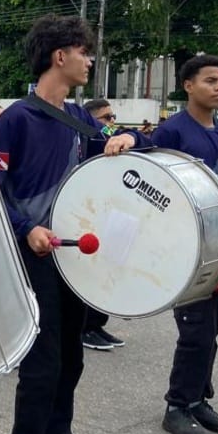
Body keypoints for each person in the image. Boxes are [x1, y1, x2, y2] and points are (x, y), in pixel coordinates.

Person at [0, 15, 144, 434]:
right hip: (34, 256)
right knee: (43, 362)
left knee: (72, 359)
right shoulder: (17, 118)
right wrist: (25, 227)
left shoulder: (81, 118)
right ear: (61, 56)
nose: (90, 60)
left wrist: (124, 141)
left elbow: (112, 149)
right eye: (84, 51)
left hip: (76, 256)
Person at [152, 54, 218, 434]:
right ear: (188, 86)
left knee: (213, 327)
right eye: (210, 81)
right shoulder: (171, 133)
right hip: (184, 248)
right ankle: (177, 406)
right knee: (196, 330)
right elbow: (154, 189)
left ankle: (199, 399)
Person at [78, 98, 128, 352]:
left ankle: (97, 324)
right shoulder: (87, 140)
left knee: (107, 270)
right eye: (106, 118)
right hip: (89, 213)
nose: (111, 123)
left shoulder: (114, 140)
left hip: (110, 211)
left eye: (112, 117)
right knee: (90, 271)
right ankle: (85, 328)